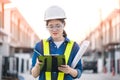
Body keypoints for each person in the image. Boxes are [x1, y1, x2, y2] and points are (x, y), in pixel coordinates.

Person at [31, 5, 82, 80]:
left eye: (58, 26)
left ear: (64, 25)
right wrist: (37, 65)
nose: (54, 29)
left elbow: (79, 72)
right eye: (51, 26)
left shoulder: (74, 46)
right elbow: (34, 75)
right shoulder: (39, 46)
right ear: (47, 27)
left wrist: (69, 70)